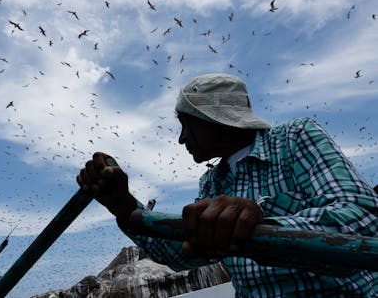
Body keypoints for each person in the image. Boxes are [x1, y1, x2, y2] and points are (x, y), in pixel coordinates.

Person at [77, 73, 378, 297]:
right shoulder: (211, 183)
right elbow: (180, 255)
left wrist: (261, 224)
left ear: (213, 116)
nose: (181, 138)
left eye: (186, 123)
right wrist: (122, 204)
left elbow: (362, 219)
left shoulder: (295, 137)